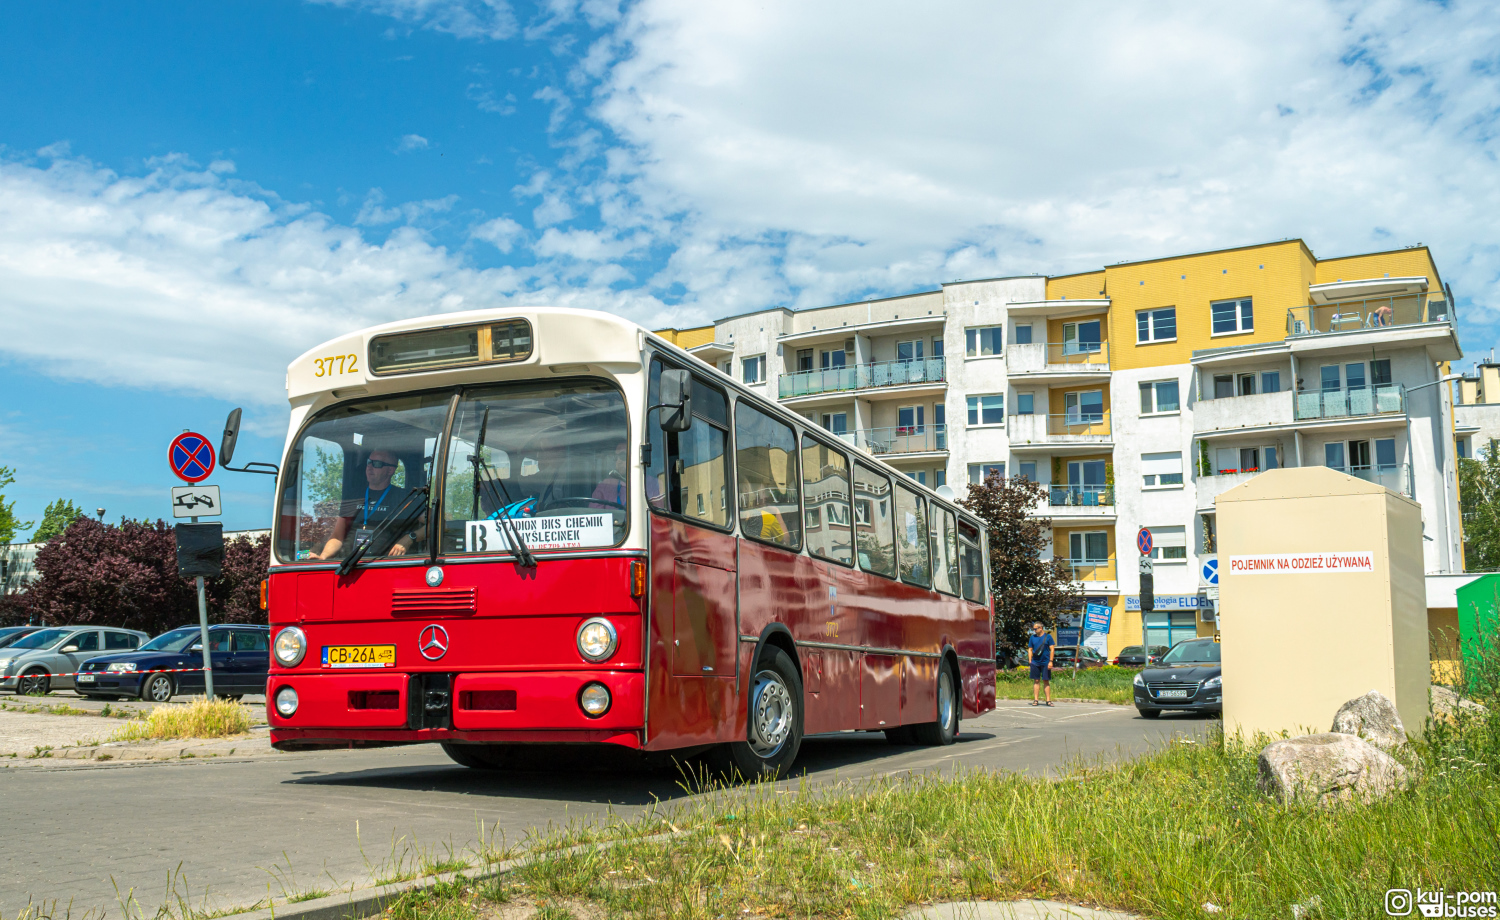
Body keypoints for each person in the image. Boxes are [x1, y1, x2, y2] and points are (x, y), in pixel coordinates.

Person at [311, 449, 420, 559]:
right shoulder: (354, 496)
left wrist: (410, 538)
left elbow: (433, 523)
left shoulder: (403, 497)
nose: (369, 467)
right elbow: (337, 537)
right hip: (348, 565)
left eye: (376, 464)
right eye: (369, 462)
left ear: (390, 470)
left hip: (383, 566)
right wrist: (322, 557)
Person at [590, 441, 629, 509]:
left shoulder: (650, 484)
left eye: (622, 456)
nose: (618, 461)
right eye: (616, 457)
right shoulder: (605, 486)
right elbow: (595, 514)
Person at [1028, 621, 1054, 707]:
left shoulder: (1048, 637)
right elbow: (1030, 649)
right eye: (1033, 629)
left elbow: (1052, 649)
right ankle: (1036, 700)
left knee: (1046, 680)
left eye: (1035, 629)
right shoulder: (1032, 637)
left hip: (1045, 662)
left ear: (1041, 628)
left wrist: (1051, 661)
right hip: (1035, 662)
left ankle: (1048, 700)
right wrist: (1030, 660)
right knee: (1036, 680)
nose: (1034, 630)